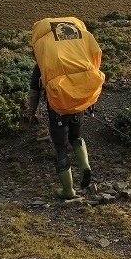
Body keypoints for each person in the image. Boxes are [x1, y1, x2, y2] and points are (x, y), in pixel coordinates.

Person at [26, 63, 92, 199]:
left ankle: (68, 190)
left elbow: (34, 91)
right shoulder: (73, 58)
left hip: (57, 111)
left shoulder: (44, 62)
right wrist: (90, 103)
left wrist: (31, 112)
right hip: (77, 107)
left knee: (61, 147)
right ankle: (85, 166)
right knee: (76, 138)